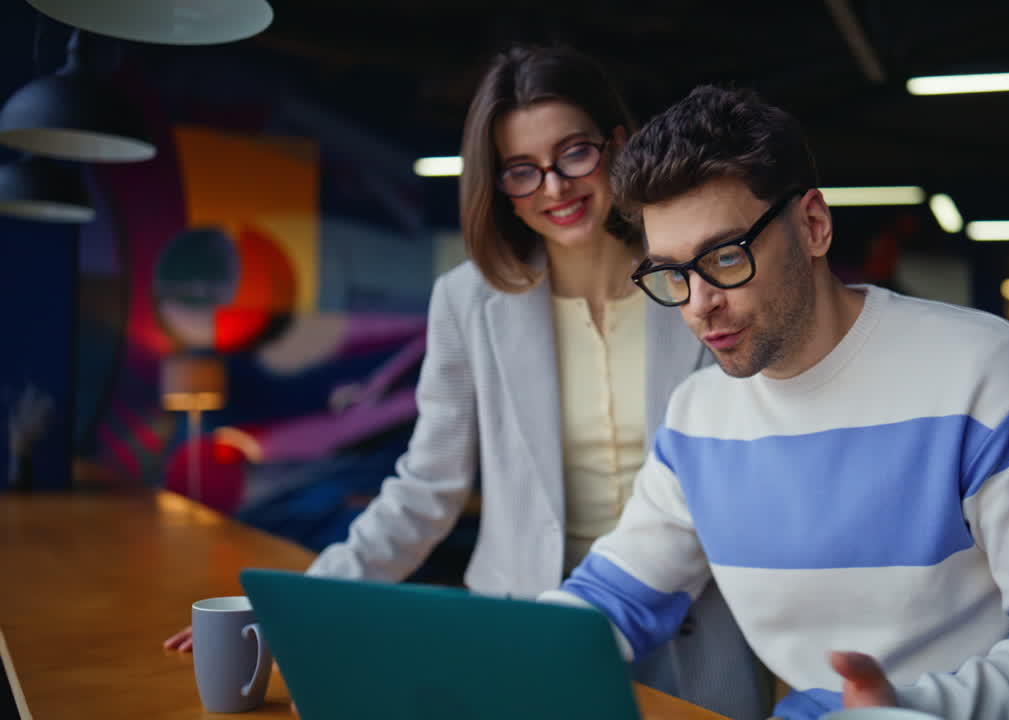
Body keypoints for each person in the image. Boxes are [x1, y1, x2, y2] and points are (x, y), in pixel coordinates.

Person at [164, 47, 767, 720]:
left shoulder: (696, 284)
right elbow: (427, 488)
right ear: (498, 183)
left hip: (696, 632)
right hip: (529, 633)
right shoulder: (467, 301)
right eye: (522, 169)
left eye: (574, 154)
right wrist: (297, 608)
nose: (554, 188)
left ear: (619, 146)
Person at [540, 85, 1009, 720]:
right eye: (671, 273)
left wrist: (904, 711)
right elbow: (619, 594)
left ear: (813, 226)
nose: (698, 304)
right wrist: (512, 651)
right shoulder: (698, 417)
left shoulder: (991, 375)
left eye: (724, 257)